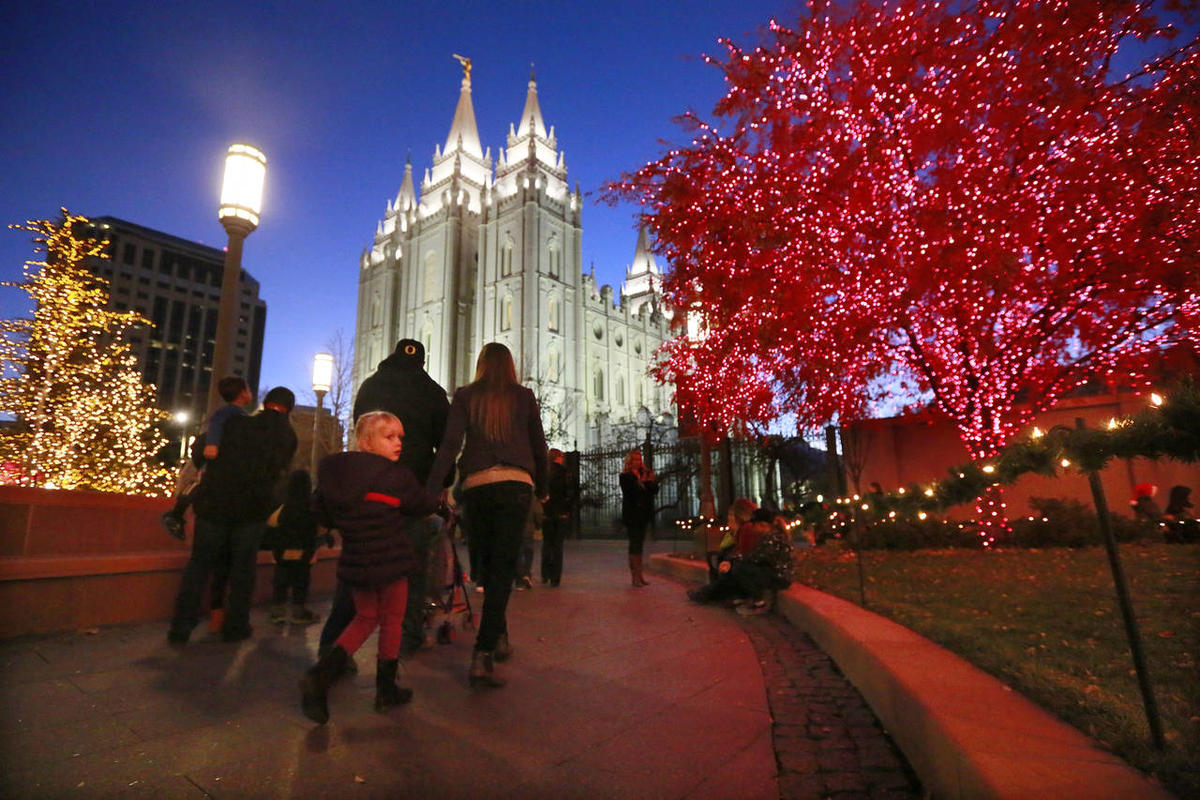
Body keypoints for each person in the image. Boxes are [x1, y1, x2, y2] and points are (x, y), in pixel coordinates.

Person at [300, 411, 441, 724]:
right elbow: (420, 504)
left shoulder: (335, 475)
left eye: (400, 437)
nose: (398, 444)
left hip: (357, 559)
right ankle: (384, 688)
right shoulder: (395, 476)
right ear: (366, 442)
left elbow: (320, 511)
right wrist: (438, 504)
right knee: (392, 620)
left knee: (365, 617)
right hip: (390, 558)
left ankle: (322, 675)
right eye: (389, 437)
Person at [318, 338, 450, 663]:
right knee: (410, 568)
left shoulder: (370, 386)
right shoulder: (432, 391)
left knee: (358, 570)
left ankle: (333, 647)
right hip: (410, 491)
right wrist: (439, 485)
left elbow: (359, 425)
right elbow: (445, 444)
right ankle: (407, 639)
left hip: (366, 490)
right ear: (421, 361)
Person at [426, 342, 548, 689]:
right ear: (510, 366)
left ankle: (499, 635)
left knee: (489, 565)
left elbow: (450, 446)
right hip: (515, 486)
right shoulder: (523, 397)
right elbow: (539, 446)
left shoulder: (466, 396)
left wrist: (434, 487)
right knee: (503, 569)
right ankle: (484, 652)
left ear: (480, 365)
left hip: (478, 487)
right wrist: (543, 488)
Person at [167, 386, 298, 644]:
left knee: (199, 565)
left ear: (265, 403)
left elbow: (202, 448)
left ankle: (181, 627)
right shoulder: (287, 435)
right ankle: (236, 626)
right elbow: (281, 477)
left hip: (214, 504)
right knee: (243, 569)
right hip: (252, 510)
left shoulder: (237, 422)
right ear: (289, 409)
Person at [160, 375, 252, 540]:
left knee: (200, 484)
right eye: (248, 389)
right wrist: (212, 444)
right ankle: (175, 514)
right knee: (201, 485)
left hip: (216, 456)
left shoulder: (235, 413)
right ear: (242, 393)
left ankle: (177, 513)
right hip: (217, 456)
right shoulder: (232, 412)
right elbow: (217, 423)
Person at [267, 470, 324, 626]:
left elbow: (272, 524)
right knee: (301, 580)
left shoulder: (284, 508)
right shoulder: (311, 508)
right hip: (304, 552)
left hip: (282, 552)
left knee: (281, 580)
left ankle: (278, 610)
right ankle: (299, 610)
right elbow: (320, 530)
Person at [620, 449, 658, 587]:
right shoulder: (625, 476)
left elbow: (654, 490)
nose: (638, 462)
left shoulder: (645, 473)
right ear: (630, 462)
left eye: (639, 459)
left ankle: (640, 575)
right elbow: (631, 493)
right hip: (632, 514)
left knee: (640, 544)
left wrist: (650, 480)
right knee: (634, 544)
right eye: (635, 459)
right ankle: (634, 576)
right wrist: (641, 481)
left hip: (644, 514)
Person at [540, 448, 573, 587]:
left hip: (547, 512)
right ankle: (555, 577)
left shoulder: (544, 473)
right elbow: (569, 493)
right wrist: (566, 509)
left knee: (547, 543)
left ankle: (545, 573)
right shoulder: (564, 473)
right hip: (560, 512)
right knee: (558, 545)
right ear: (558, 457)